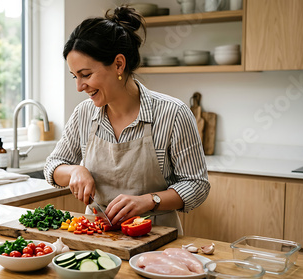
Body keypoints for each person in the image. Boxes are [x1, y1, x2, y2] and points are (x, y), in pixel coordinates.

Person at [43, 5, 210, 234]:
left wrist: (150, 200)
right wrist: (74, 171)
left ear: (119, 64)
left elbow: (197, 185)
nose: (79, 87)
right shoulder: (83, 114)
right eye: (75, 76)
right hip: (98, 236)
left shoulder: (173, 114)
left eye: (86, 75)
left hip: (156, 240)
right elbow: (52, 166)